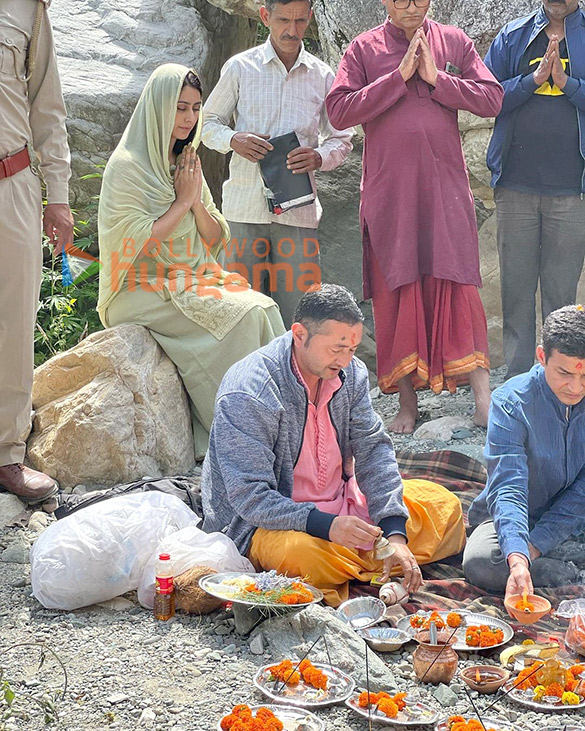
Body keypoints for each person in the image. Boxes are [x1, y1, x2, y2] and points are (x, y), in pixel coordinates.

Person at [201, 284, 466, 606]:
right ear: (299, 334)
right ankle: (374, 566)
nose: (345, 359)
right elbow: (250, 498)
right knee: (304, 557)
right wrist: (327, 526)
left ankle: (374, 560)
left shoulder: (350, 372)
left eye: (352, 349)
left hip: (343, 504)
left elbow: (373, 449)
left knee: (445, 506)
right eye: (336, 348)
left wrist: (394, 532)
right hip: (275, 523)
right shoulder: (250, 392)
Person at [326, 0, 504, 434]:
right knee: (395, 290)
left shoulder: (454, 41)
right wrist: (398, 77)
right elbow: (339, 110)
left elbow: (493, 98)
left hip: (444, 187)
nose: (412, 6)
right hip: (392, 194)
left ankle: (483, 399)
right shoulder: (363, 49)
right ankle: (408, 404)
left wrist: (437, 80)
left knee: (459, 281)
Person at [97, 64, 286, 458]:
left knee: (265, 309)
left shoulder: (187, 161)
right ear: (158, 107)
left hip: (191, 276)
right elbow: (137, 243)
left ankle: (281, 428)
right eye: (180, 108)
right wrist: (182, 201)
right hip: (138, 287)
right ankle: (238, 437)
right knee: (246, 317)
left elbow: (215, 237)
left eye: (196, 108)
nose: (189, 119)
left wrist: (196, 201)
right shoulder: (127, 168)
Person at [201, 0, 353, 327]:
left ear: (309, 18)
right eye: (284, 20)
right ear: (265, 16)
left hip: (297, 216)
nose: (292, 30)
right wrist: (233, 140)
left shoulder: (322, 76)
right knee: (240, 313)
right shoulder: (240, 67)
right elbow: (206, 124)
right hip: (244, 210)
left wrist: (319, 156)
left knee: (301, 315)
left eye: (300, 21)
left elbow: (343, 138)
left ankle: (296, 379)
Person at [485, 0, 585, 380]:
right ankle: (518, 379)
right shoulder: (513, 35)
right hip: (515, 186)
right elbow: (487, 98)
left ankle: (559, 380)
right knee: (516, 290)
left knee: (562, 296)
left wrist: (565, 83)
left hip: (571, 190)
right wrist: (533, 80)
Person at [0, 0, 74, 502]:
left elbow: (47, 105)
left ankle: (7, 453)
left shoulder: (25, 8)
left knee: (14, 318)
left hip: (11, 181)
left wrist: (60, 195)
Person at [464, 306, 585, 601]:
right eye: (564, 373)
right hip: (517, 515)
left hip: (575, 513)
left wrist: (540, 541)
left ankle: (555, 555)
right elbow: (509, 487)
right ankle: (553, 565)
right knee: (480, 562)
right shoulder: (510, 403)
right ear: (542, 356)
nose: (576, 387)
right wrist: (519, 555)